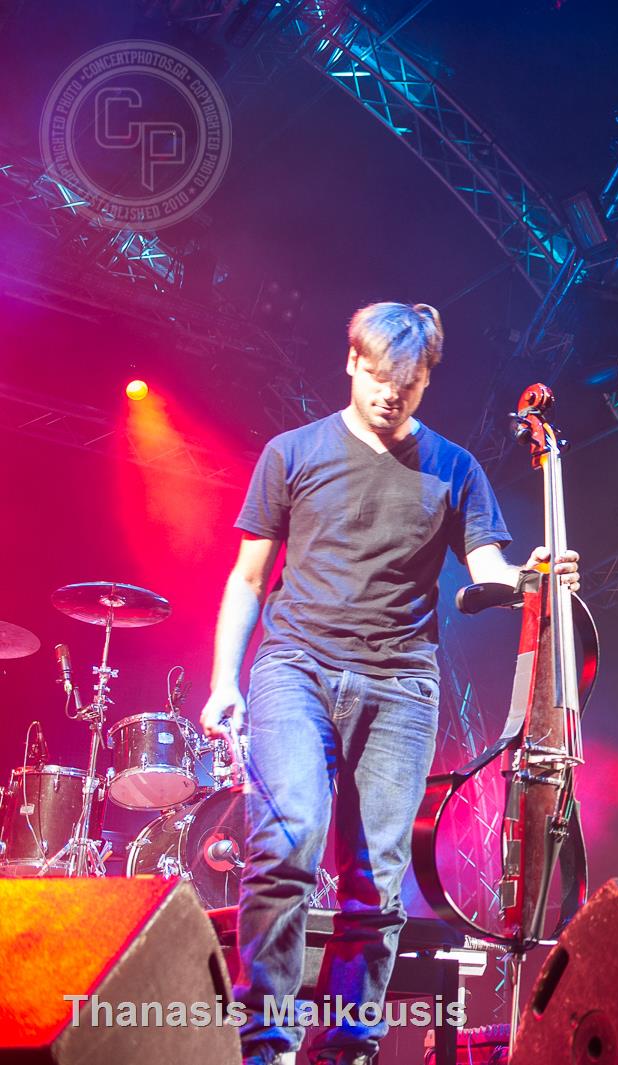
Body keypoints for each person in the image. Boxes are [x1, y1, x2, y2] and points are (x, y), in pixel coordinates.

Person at [199, 302, 578, 1065]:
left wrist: (533, 574)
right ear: (351, 363)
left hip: (400, 684)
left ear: (426, 379)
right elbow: (247, 579)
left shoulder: (455, 468)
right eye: (376, 378)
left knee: (375, 878)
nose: (387, 395)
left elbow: (488, 571)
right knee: (287, 842)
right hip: (295, 667)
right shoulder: (292, 452)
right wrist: (222, 681)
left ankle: (350, 1049)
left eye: (405, 384)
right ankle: (265, 1046)